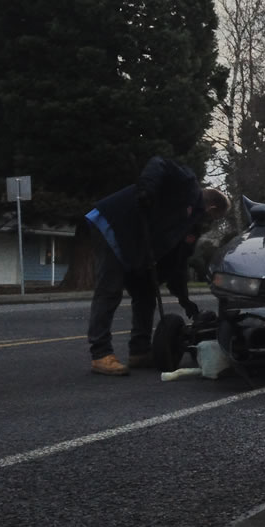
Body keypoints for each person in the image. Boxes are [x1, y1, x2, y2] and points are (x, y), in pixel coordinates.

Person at [85, 156, 230, 376]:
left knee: (145, 292)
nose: (211, 223)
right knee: (109, 289)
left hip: (133, 243)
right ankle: (100, 354)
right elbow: (158, 163)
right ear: (211, 207)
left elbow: (177, 263)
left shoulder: (189, 227)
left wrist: (184, 299)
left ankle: (140, 351)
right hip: (114, 223)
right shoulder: (187, 185)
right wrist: (147, 190)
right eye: (215, 218)